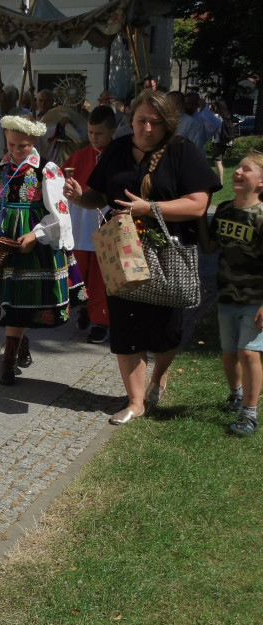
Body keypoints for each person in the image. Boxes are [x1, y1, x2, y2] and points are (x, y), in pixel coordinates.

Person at [64, 90, 220, 425]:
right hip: (122, 250)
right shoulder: (118, 150)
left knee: (166, 330)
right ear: (130, 121)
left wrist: (150, 208)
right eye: (140, 121)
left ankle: (159, 374)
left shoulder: (182, 153)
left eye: (154, 122)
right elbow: (100, 196)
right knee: (124, 326)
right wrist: (80, 197)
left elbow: (198, 204)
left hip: (168, 252)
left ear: (167, 123)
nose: (147, 128)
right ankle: (135, 401)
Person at [0, 114, 77, 385]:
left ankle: (10, 356)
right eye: (10, 144)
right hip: (0, 238)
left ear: (34, 141)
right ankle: (14, 352)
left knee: (21, 296)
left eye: (21, 146)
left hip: (30, 241)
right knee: (7, 297)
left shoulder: (46, 170)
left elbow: (59, 212)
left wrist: (37, 234)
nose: (14, 151)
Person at [197, 153, 263, 436]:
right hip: (226, 296)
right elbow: (210, 247)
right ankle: (236, 395)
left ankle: (250, 412)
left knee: (248, 352)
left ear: (261, 182)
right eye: (237, 169)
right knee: (228, 354)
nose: (238, 173)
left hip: (255, 299)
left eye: (246, 170)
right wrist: (201, 215)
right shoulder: (223, 210)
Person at [63, 105, 117, 344]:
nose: (94, 138)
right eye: (91, 132)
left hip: (106, 222)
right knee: (80, 270)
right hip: (80, 223)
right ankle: (84, 306)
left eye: (100, 133)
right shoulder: (80, 156)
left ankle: (101, 321)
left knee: (100, 274)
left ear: (113, 131)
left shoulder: (119, 154)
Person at [209, 100, 238, 183]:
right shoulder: (227, 116)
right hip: (226, 141)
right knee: (220, 162)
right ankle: (220, 179)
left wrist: (210, 111)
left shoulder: (216, 116)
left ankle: (220, 181)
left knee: (218, 162)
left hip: (218, 141)